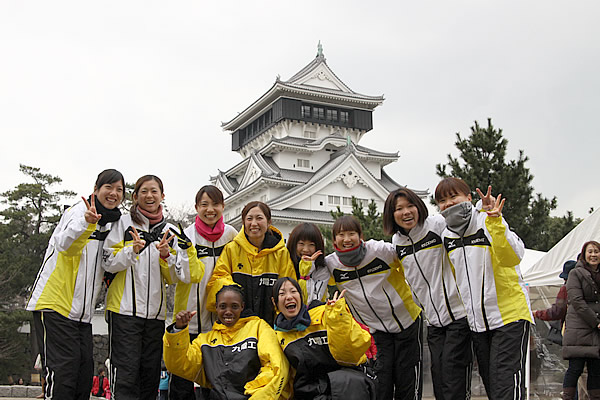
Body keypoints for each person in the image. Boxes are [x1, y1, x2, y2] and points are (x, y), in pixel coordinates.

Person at [26, 169, 125, 400]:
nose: (113, 193)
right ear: (96, 190)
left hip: (82, 313)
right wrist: (86, 223)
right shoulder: (78, 211)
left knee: (83, 378)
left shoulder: (111, 223)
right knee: (62, 376)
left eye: (119, 190)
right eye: (108, 187)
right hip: (55, 305)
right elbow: (64, 244)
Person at [435, 177, 533, 400]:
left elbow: (513, 256)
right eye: (442, 200)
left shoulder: (487, 221)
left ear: (468, 198)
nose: (448, 203)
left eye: (453, 197)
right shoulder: (447, 236)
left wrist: (496, 221)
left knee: (506, 389)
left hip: (509, 317)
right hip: (478, 323)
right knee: (493, 387)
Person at [312, 215, 423, 400]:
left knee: (408, 383)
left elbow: (408, 258)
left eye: (351, 233)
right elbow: (314, 281)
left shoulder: (379, 250)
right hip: (375, 332)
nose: (347, 239)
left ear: (360, 235)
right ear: (334, 240)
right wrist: (306, 265)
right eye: (341, 235)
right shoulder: (332, 265)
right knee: (381, 385)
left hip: (407, 323)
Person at [383, 188, 472, 400]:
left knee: (453, 379)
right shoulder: (397, 243)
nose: (406, 212)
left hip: (459, 316)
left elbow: (465, 225)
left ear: (419, 206)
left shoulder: (436, 225)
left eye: (410, 206)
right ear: (391, 214)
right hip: (433, 322)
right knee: (440, 381)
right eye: (399, 209)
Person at [104, 175, 178, 400]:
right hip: (124, 312)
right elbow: (107, 261)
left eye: (154, 191)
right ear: (135, 196)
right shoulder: (122, 223)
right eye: (143, 191)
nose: (149, 196)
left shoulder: (170, 231)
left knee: (150, 377)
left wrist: (167, 257)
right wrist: (131, 251)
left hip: (155, 316)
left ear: (162, 196)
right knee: (125, 377)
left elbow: (175, 277)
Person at [169, 185, 238, 400]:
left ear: (223, 206)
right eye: (204, 205)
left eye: (215, 204)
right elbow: (175, 274)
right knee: (182, 382)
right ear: (196, 207)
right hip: (187, 319)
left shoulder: (231, 235)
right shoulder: (185, 236)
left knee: (216, 381)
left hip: (219, 322)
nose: (210, 210)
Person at [163, 285, 289, 399]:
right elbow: (180, 365)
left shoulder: (258, 327)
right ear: (216, 307)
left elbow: (275, 366)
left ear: (242, 307)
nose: (228, 311)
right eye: (223, 306)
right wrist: (178, 330)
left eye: (234, 306)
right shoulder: (204, 340)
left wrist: (254, 394)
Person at [271, 277, 375, 400]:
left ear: (301, 296)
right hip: (311, 391)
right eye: (282, 293)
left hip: (347, 384)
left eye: (293, 291)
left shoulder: (326, 312)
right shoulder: (277, 336)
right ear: (275, 302)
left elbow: (350, 356)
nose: (289, 297)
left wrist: (338, 317)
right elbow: (286, 376)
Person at [206, 201, 295, 326]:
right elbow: (217, 280)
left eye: (259, 218)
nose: (254, 223)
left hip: (272, 326)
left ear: (269, 222)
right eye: (249, 219)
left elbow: (288, 286)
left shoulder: (281, 253)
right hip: (237, 325)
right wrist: (235, 290)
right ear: (243, 222)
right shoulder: (232, 249)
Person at [561, 241, 600, 400]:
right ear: (584, 254)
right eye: (590, 252)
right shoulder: (575, 274)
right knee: (575, 368)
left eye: (596, 251)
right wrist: (595, 321)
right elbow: (577, 301)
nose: (593, 255)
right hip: (579, 328)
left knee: (596, 370)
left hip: (596, 331)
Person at [534, 260, 577, 344]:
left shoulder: (566, 289)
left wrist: (537, 314)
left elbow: (557, 311)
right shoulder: (589, 286)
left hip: (574, 334)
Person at [286, 223, 329, 304]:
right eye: (301, 244)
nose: (306, 249)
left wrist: (306, 269)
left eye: (311, 245)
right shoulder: (287, 263)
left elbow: (313, 299)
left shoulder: (322, 269)